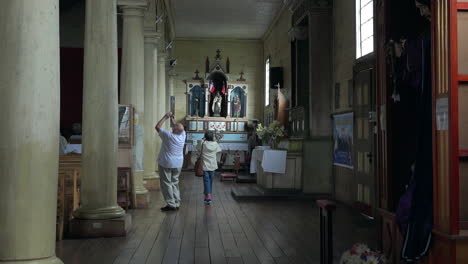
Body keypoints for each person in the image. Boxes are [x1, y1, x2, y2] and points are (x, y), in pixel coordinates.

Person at [155, 112, 186, 211]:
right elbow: (178, 127)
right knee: (174, 182)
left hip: (167, 163)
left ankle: (171, 203)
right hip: (178, 163)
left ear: (175, 130)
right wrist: (172, 119)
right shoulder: (183, 135)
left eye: (174, 127)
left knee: (166, 183)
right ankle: (177, 202)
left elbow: (157, 127)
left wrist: (165, 117)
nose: (172, 127)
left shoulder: (168, 136)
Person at [196, 131, 222, 204]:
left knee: (206, 181)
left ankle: (208, 196)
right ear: (212, 137)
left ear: (205, 137)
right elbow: (219, 150)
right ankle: (208, 194)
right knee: (210, 181)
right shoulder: (215, 143)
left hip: (204, 165)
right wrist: (215, 141)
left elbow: (197, 147)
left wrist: (202, 140)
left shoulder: (203, 143)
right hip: (213, 165)